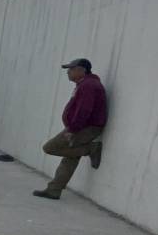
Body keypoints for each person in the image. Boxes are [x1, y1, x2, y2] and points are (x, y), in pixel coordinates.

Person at [33, 58, 107, 200]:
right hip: (82, 127)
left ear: (81, 70)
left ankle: (91, 149)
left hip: (85, 128)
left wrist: (72, 130)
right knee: (70, 156)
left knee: (49, 148)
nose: (68, 72)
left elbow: (84, 110)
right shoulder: (85, 84)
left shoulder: (88, 86)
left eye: (71, 69)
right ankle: (54, 190)